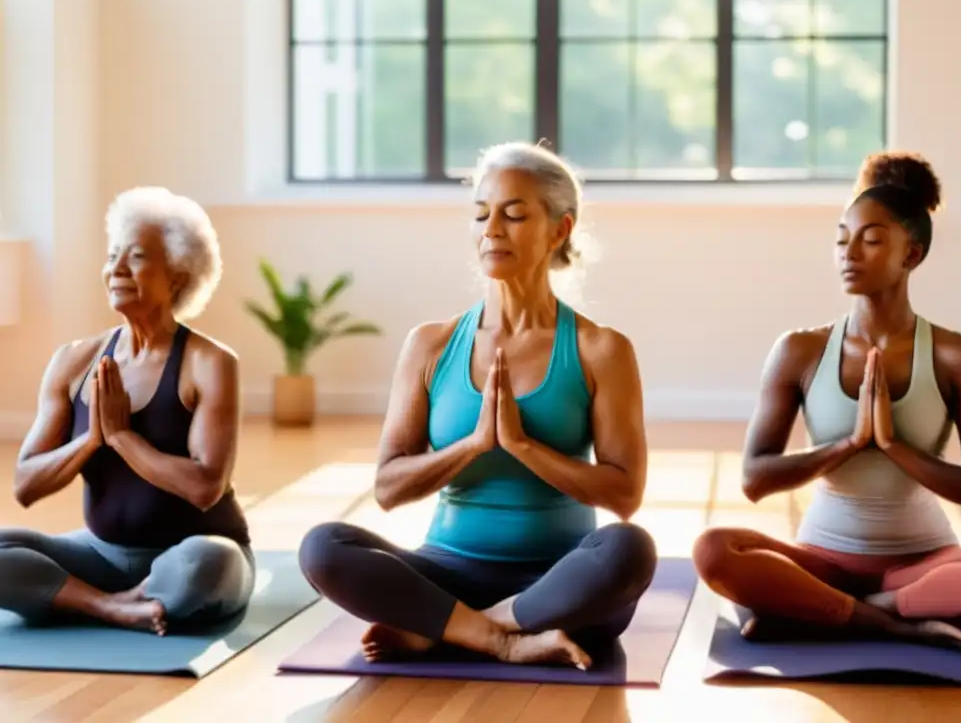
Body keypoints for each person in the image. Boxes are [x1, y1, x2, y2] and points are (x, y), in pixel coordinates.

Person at [299, 142, 656, 670]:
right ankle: (499, 637)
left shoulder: (600, 349)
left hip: (559, 579)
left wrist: (522, 446)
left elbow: (624, 495)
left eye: (513, 215)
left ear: (560, 229)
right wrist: (472, 446)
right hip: (445, 573)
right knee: (322, 547)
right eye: (481, 214)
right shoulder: (431, 346)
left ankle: (451, 627)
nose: (492, 229)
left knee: (630, 550)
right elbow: (389, 488)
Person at [692, 152, 961, 656]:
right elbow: (755, 479)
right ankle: (890, 622)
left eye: (871, 240)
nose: (850, 253)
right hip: (823, 559)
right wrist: (847, 445)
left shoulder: (959, 357)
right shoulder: (799, 350)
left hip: (920, 562)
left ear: (911, 255)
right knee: (714, 550)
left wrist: (893, 445)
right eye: (842, 239)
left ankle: (832, 611)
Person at [0, 187, 254, 636]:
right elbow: (25, 484)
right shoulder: (73, 361)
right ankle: (111, 606)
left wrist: (122, 437)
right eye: (113, 254)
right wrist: (92, 439)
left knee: (210, 566)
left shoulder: (209, 363)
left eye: (135, 257)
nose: (116, 269)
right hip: (100, 555)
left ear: (177, 276)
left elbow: (204, 488)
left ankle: (78, 599)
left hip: (186, 557)